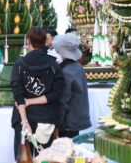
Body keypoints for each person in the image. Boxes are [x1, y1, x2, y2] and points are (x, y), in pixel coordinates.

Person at [11, 27, 64, 158]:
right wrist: (30, 101)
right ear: (45, 41)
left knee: (24, 157)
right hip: (46, 118)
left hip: (24, 116)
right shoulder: (54, 64)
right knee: (45, 158)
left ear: (28, 41)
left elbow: (18, 95)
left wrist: (24, 122)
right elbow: (56, 94)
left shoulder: (19, 64)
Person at [53, 34, 90, 138]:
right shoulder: (77, 66)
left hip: (67, 122)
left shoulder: (66, 72)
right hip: (75, 119)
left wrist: (57, 123)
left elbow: (63, 102)